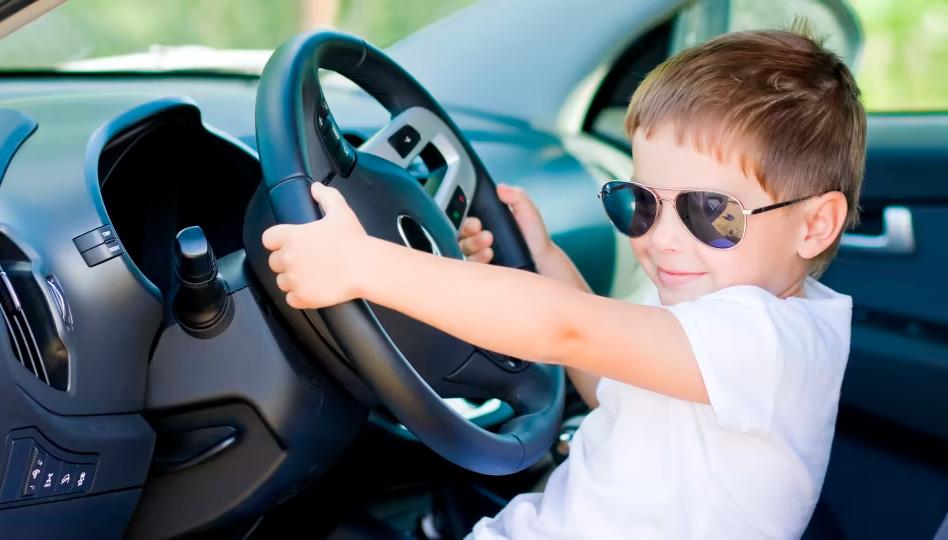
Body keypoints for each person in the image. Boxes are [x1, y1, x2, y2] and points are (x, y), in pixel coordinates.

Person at [261, 26, 866, 539]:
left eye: (711, 211)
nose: (662, 239)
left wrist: (365, 265)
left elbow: (568, 330)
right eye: (640, 203)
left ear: (814, 225)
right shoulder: (710, 297)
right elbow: (609, 382)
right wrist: (543, 258)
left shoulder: (767, 342)